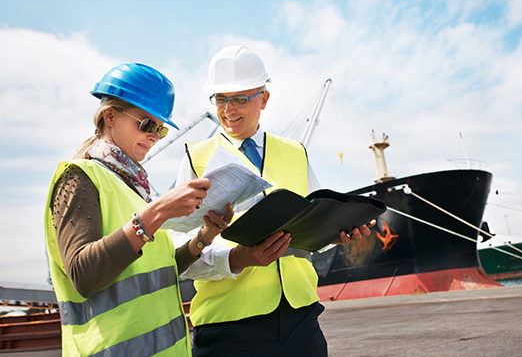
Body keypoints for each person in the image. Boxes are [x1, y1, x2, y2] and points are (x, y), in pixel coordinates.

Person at [175, 46, 375, 356]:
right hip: (229, 326)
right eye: (220, 99)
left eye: (239, 98)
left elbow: (314, 228)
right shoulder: (196, 158)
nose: (228, 109)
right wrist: (237, 258)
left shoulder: (296, 152)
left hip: (301, 319)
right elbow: (179, 253)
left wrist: (338, 233)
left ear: (264, 99)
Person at [43, 63, 233, 356]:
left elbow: (158, 272)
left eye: (161, 128)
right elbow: (83, 274)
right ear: (109, 116)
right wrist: (156, 213)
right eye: (147, 124)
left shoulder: (133, 189)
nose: (155, 135)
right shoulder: (78, 179)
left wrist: (205, 236)